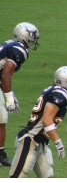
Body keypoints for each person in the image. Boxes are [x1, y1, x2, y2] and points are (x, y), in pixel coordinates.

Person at [8, 66, 67, 178]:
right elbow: (46, 120)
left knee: (47, 176)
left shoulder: (53, 90)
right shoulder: (60, 95)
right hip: (29, 140)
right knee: (17, 177)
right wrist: (58, 142)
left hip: (41, 141)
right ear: (66, 80)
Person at [0, 22, 40, 167]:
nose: (34, 41)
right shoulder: (19, 49)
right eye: (32, 37)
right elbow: (5, 75)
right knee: (1, 119)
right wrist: (9, 97)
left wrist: (8, 92)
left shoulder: (10, 44)